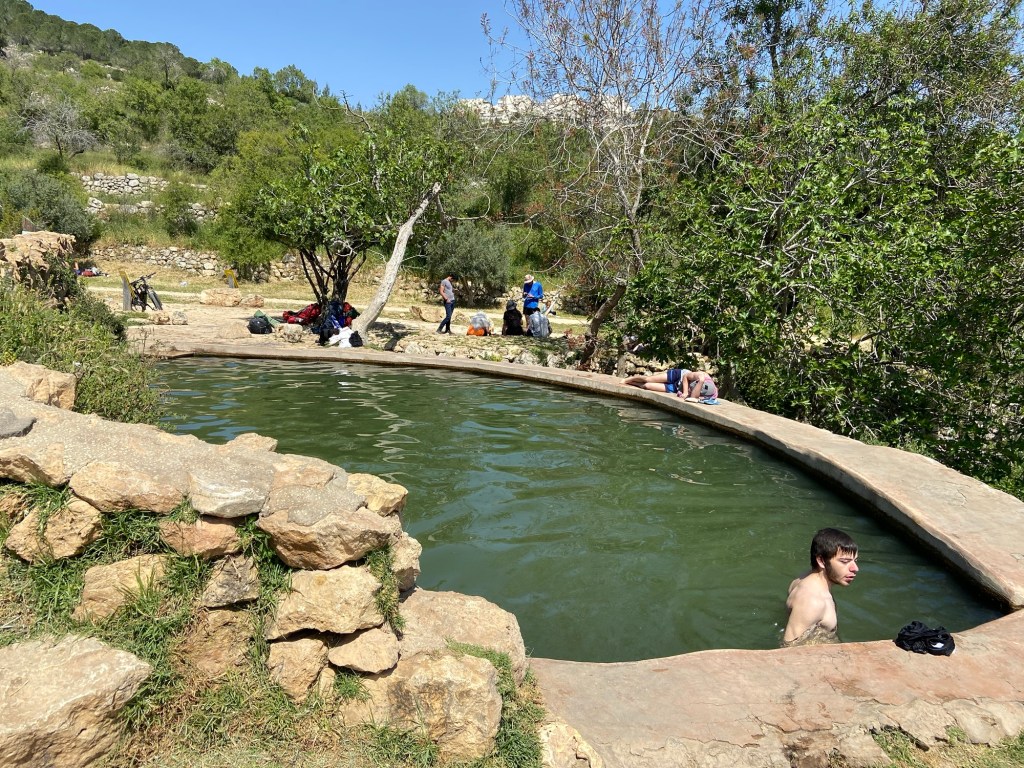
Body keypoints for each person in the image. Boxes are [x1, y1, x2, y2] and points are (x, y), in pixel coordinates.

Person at [783, 528, 859, 647]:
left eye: (855, 560)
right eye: (844, 561)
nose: (855, 568)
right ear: (821, 561)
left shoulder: (803, 579)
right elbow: (789, 646)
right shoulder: (813, 601)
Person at [621, 368, 718, 401]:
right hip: (679, 375)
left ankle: (633, 383)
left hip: (677, 388)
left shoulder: (710, 393)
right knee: (648, 379)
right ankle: (630, 379)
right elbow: (686, 377)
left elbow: (695, 398)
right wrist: (685, 392)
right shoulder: (701, 376)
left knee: (647, 386)